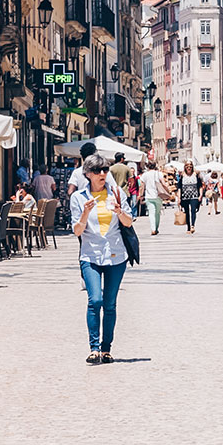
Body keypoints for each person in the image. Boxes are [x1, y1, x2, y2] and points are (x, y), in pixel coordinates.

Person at [70, 154, 131, 364]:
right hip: (90, 254)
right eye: (98, 171)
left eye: (105, 170)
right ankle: (93, 347)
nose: (103, 174)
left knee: (110, 304)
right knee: (95, 300)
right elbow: (77, 231)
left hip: (116, 255)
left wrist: (119, 211)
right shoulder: (78, 198)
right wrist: (85, 214)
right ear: (88, 174)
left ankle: (106, 349)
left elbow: (129, 222)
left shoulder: (117, 193)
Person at [138, 160, 169, 237]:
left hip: (149, 196)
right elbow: (164, 184)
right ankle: (156, 228)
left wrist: (140, 195)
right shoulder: (159, 174)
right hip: (158, 196)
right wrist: (168, 191)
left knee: (151, 213)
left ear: (147, 166)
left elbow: (142, 186)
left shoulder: (144, 175)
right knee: (157, 213)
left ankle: (153, 229)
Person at [175, 161, 203, 234]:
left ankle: (192, 225)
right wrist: (179, 198)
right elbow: (179, 187)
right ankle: (188, 227)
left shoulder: (196, 175)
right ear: (185, 167)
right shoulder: (182, 176)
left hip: (194, 195)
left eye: (190, 166)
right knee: (186, 212)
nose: (189, 168)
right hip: (185, 196)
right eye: (187, 166)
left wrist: (200, 195)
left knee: (193, 210)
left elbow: (200, 186)